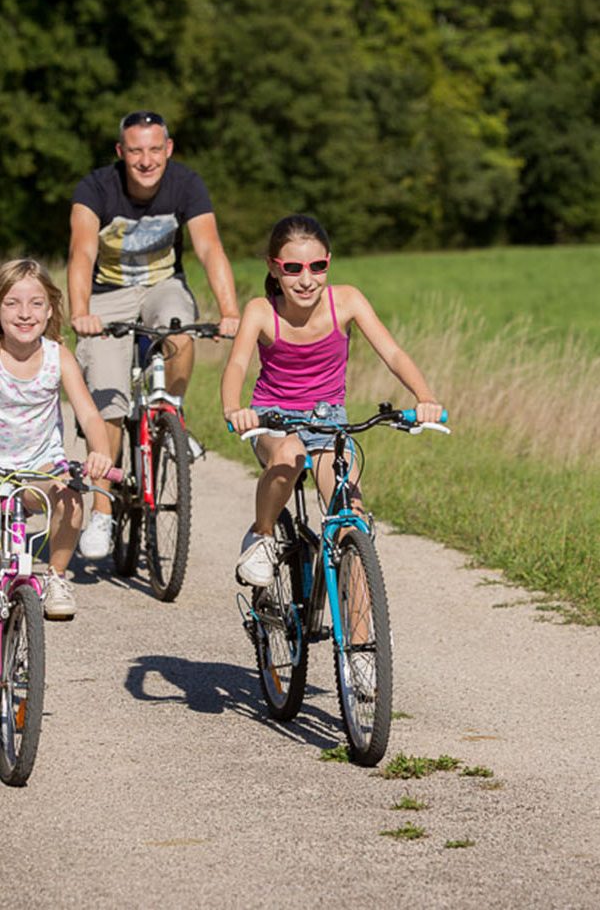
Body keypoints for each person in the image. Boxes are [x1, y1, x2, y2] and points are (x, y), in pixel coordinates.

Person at [221, 214, 444, 587]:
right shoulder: (261, 311)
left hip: (328, 421)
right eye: (293, 268)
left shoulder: (347, 300)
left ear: (328, 263)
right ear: (274, 268)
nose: (306, 280)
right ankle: (262, 534)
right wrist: (234, 408)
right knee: (290, 455)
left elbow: (392, 354)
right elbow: (237, 364)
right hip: (273, 419)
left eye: (317, 267)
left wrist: (425, 397)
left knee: (350, 521)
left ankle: (361, 626)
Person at [68, 110, 240, 559]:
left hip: (163, 286)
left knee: (179, 325)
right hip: (107, 294)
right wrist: (81, 311)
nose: (146, 160)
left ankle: (171, 414)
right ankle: (102, 511)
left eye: (155, 149)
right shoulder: (95, 188)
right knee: (107, 398)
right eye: (135, 151)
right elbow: (82, 251)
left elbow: (209, 247)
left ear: (169, 149)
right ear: (120, 152)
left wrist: (229, 312)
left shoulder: (186, 184)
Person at [0, 259, 113, 619]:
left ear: (49, 310)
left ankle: (56, 576)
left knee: (71, 496)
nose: (24, 313)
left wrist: (100, 452)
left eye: (36, 303)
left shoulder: (57, 357)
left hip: (40, 469)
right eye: (12, 303)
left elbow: (89, 415)